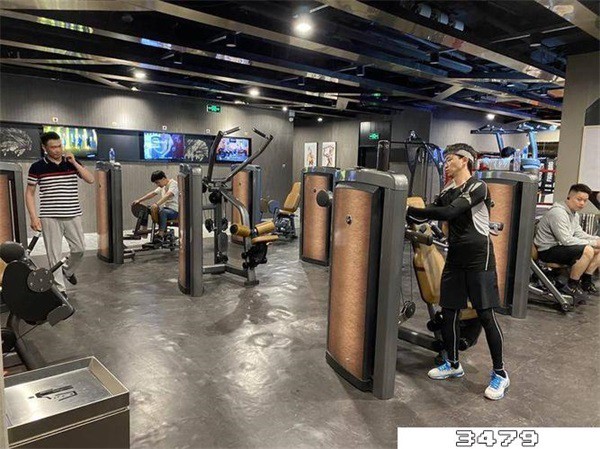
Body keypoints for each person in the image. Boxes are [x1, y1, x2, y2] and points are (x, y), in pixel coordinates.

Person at [406, 143, 509, 400]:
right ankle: (453, 363)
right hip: (455, 257)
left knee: (485, 314)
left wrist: (410, 210)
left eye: (450, 159)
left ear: (465, 160)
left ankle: (500, 374)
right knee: (450, 311)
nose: (446, 164)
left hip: (479, 258)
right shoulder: (448, 190)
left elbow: (450, 212)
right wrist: (400, 210)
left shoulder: (477, 186)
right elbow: (427, 215)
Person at [25, 131, 95, 295]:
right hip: (49, 216)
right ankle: (60, 290)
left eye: (59, 146)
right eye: (53, 147)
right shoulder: (37, 167)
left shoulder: (71, 162)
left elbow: (90, 179)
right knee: (54, 255)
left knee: (79, 249)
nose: (57, 150)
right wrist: (33, 217)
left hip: (73, 213)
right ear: (44, 148)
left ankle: (68, 271)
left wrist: (74, 162)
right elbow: (29, 193)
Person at [534, 183, 599, 299]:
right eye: (579, 199)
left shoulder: (574, 214)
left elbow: (579, 233)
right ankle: (571, 285)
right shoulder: (558, 213)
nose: (582, 203)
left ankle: (586, 281)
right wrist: (593, 243)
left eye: (585, 201)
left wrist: (597, 240)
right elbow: (566, 240)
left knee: (598, 248)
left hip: (560, 247)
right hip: (547, 250)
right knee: (588, 250)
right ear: (569, 197)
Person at [132, 170, 179, 242]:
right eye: (156, 183)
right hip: (166, 209)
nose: (157, 185)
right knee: (147, 209)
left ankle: (160, 234)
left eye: (158, 182)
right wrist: (139, 200)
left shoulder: (173, 184)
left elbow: (168, 195)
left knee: (163, 212)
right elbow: (153, 193)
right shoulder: (163, 186)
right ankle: (144, 230)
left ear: (163, 178)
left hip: (174, 212)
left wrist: (157, 204)